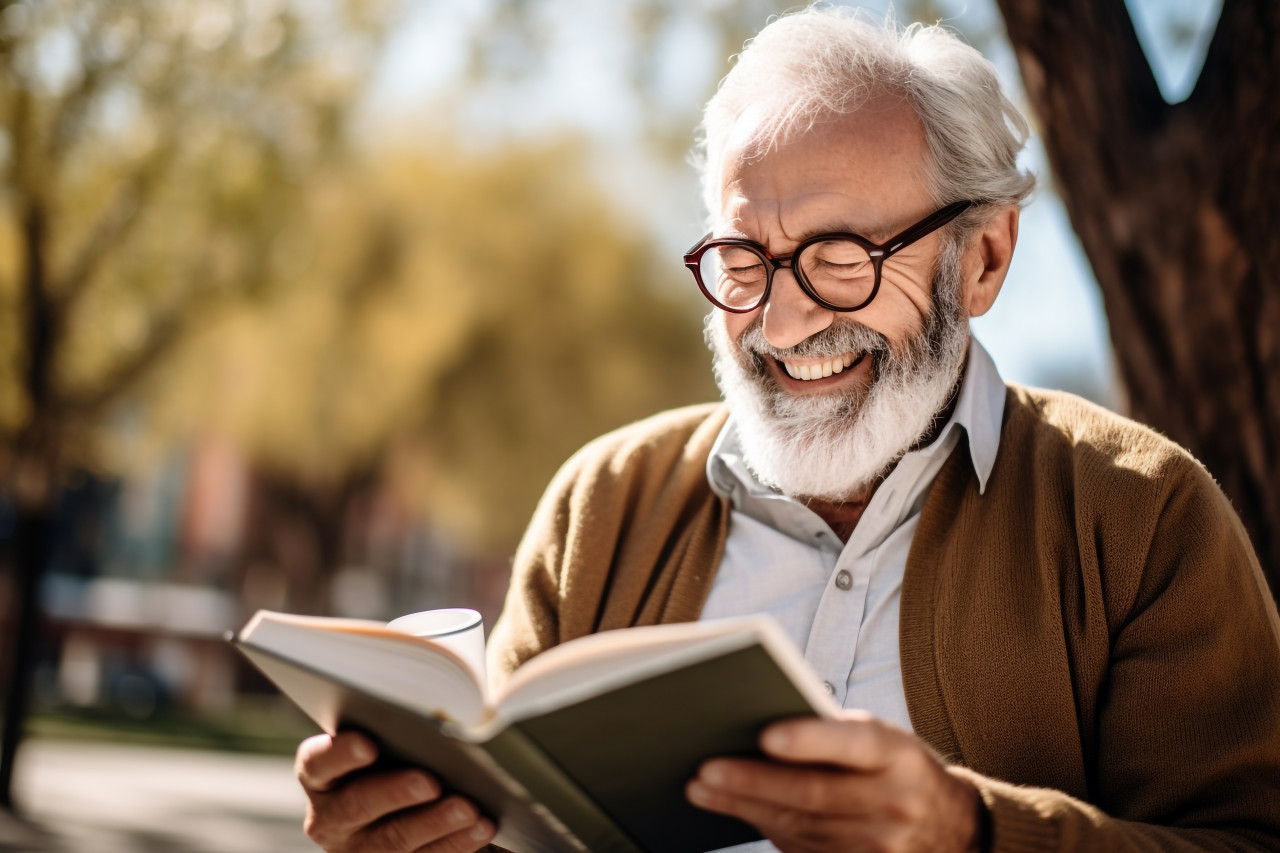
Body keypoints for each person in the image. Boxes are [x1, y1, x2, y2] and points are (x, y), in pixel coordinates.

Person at [294, 6, 1280, 852]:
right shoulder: (604, 502)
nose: (782, 321)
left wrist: (968, 830)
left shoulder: (1140, 516)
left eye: (840, 256)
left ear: (981, 258)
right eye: (742, 258)